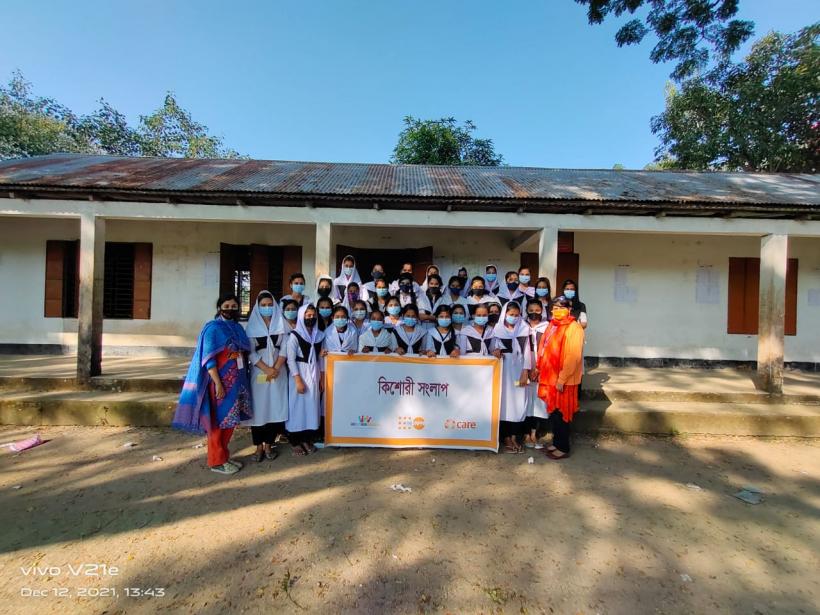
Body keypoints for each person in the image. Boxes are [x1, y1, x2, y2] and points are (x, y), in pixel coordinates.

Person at [173, 293, 252, 475]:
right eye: (227, 306)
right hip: (221, 384)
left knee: (230, 422)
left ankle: (224, 456)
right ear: (219, 308)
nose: (230, 309)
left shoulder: (238, 328)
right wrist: (218, 383)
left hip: (237, 384)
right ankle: (216, 461)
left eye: (234, 306)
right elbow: (209, 360)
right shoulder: (212, 329)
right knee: (217, 424)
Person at [536, 296, 585, 460]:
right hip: (550, 377)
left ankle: (563, 447)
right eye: (553, 308)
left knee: (562, 414)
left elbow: (573, 357)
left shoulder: (574, 328)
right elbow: (543, 348)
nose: (554, 311)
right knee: (555, 414)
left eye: (558, 308)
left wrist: (561, 379)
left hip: (564, 379)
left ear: (568, 309)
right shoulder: (552, 326)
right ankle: (556, 443)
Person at [242, 291, 288, 462]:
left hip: (278, 374)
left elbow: (285, 348)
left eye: (270, 305)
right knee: (259, 410)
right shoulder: (252, 327)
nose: (267, 308)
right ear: (257, 307)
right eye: (263, 305)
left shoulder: (281, 324)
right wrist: (266, 369)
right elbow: (251, 353)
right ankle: (258, 446)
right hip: (259, 375)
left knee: (274, 408)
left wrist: (275, 368)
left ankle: (269, 445)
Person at [491, 301, 532, 454]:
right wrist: (495, 351)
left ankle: (514, 436)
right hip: (503, 369)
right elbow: (492, 348)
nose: (513, 317)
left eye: (516, 315)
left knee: (518, 402)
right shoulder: (497, 329)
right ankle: (506, 437)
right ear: (504, 314)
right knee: (504, 402)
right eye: (510, 315)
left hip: (519, 370)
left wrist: (525, 371)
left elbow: (527, 351)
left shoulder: (524, 328)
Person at [286, 304, 325, 457]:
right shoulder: (295, 335)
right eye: (307, 315)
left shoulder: (319, 335)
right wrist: (298, 380)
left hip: (314, 373)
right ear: (302, 317)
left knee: (311, 407)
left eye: (313, 315)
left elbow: (321, 358)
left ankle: (306, 439)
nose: (311, 318)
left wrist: (321, 377)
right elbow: (290, 359)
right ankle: (295, 441)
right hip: (300, 373)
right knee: (297, 407)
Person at [524, 299, 550, 449]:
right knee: (525, 399)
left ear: (542, 311)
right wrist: (526, 368)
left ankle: (534, 433)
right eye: (531, 310)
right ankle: (526, 434)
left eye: (537, 310)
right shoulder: (521, 325)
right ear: (526, 310)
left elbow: (549, 349)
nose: (534, 313)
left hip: (542, 367)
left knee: (538, 401)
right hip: (524, 366)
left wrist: (539, 368)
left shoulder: (547, 327)